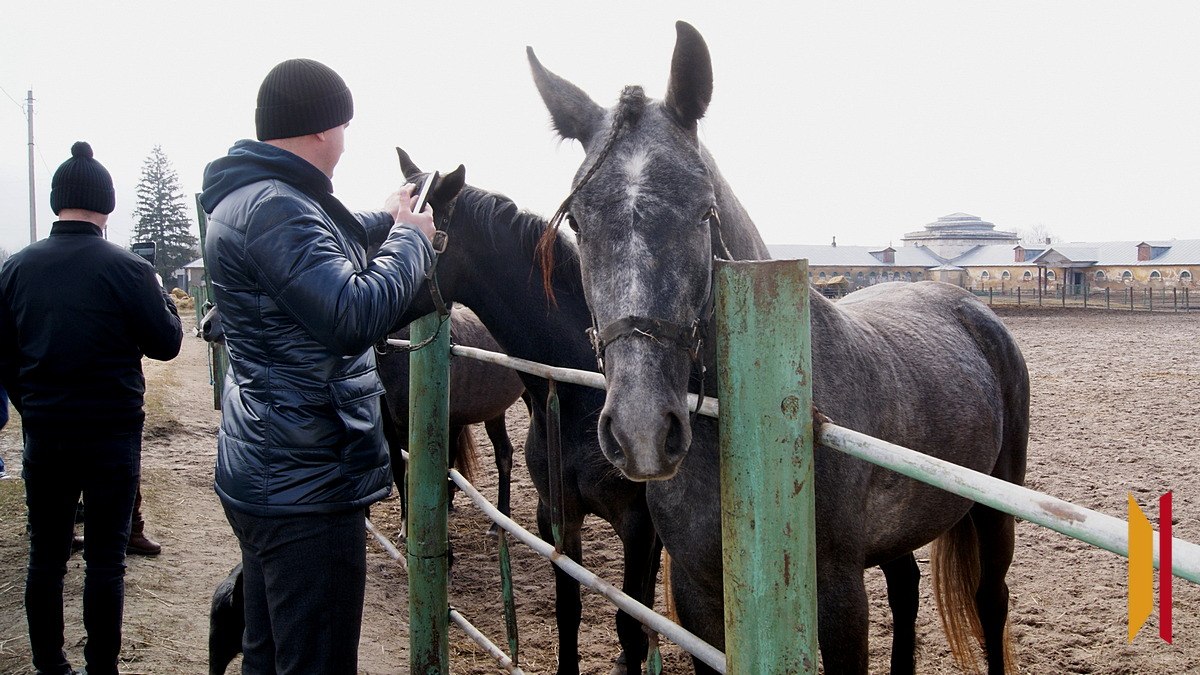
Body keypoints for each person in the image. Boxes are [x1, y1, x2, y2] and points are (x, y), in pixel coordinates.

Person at [199, 57, 436, 674]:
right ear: (321, 129)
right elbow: (352, 314)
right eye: (344, 127)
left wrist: (389, 217)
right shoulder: (276, 208)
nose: (345, 142)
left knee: (269, 650)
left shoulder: (253, 197)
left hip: (272, 465)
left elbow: (320, 245)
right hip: (308, 484)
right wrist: (412, 239)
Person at [0, 141, 183, 675]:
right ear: (107, 204)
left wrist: (32, 405)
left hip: (46, 432)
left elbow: (4, 356)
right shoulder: (128, 268)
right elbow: (167, 343)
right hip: (111, 433)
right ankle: (101, 667)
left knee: (46, 557)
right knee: (106, 559)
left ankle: (49, 665)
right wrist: (162, 296)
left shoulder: (16, 268)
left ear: (57, 200)